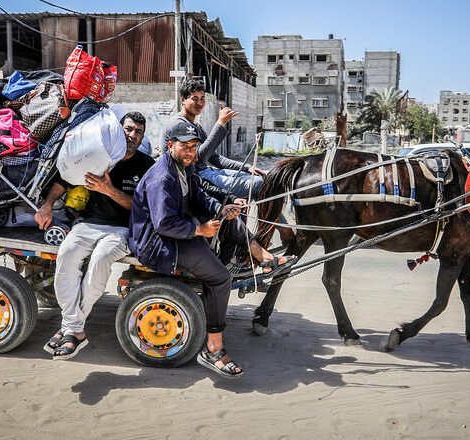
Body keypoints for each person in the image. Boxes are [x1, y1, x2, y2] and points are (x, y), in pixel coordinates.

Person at [129, 118, 294, 379]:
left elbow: (198, 196)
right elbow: (163, 224)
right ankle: (213, 348)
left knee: (230, 220)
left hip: (178, 233)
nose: (191, 151)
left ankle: (261, 257)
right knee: (219, 278)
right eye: (185, 146)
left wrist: (220, 209)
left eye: (194, 146)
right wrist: (199, 230)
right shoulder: (162, 177)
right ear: (170, 145)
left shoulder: (184, 168)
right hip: (159, 244)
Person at [35, 111, 155, 360]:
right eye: (128, 129)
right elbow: (64, 179)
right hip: (88, 223)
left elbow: (142, 207)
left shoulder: (146, 166)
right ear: (119, 130)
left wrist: (109, 190)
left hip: (123, 229)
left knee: (101, 259)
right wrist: (46, 206)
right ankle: (74, 329)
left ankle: (70, 329)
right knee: (66, 256)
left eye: (138, 132)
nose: (132, 135)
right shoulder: (101, 154)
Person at [164, 78, 265, 199]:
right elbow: (198, 158)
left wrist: (247, 167)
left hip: (205, 171)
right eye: (194, 99)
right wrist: (220, 124)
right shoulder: (179, 125)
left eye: (202, 99)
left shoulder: (196, 126)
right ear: (183, 100)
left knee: (258, 178)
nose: (199, 103)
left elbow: (214, 158)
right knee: (257, 184)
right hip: (192, 176)